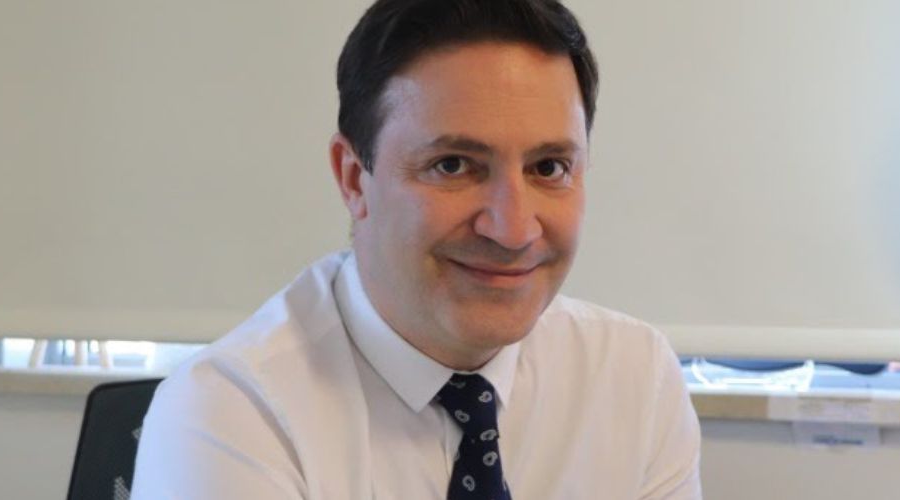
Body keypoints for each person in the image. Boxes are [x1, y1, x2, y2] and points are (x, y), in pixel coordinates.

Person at [131, 0, 701, 498]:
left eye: (549, 168)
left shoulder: (635, 378)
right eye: (452, 165)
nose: (512, 229)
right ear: (353, 178)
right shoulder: (232, 412)